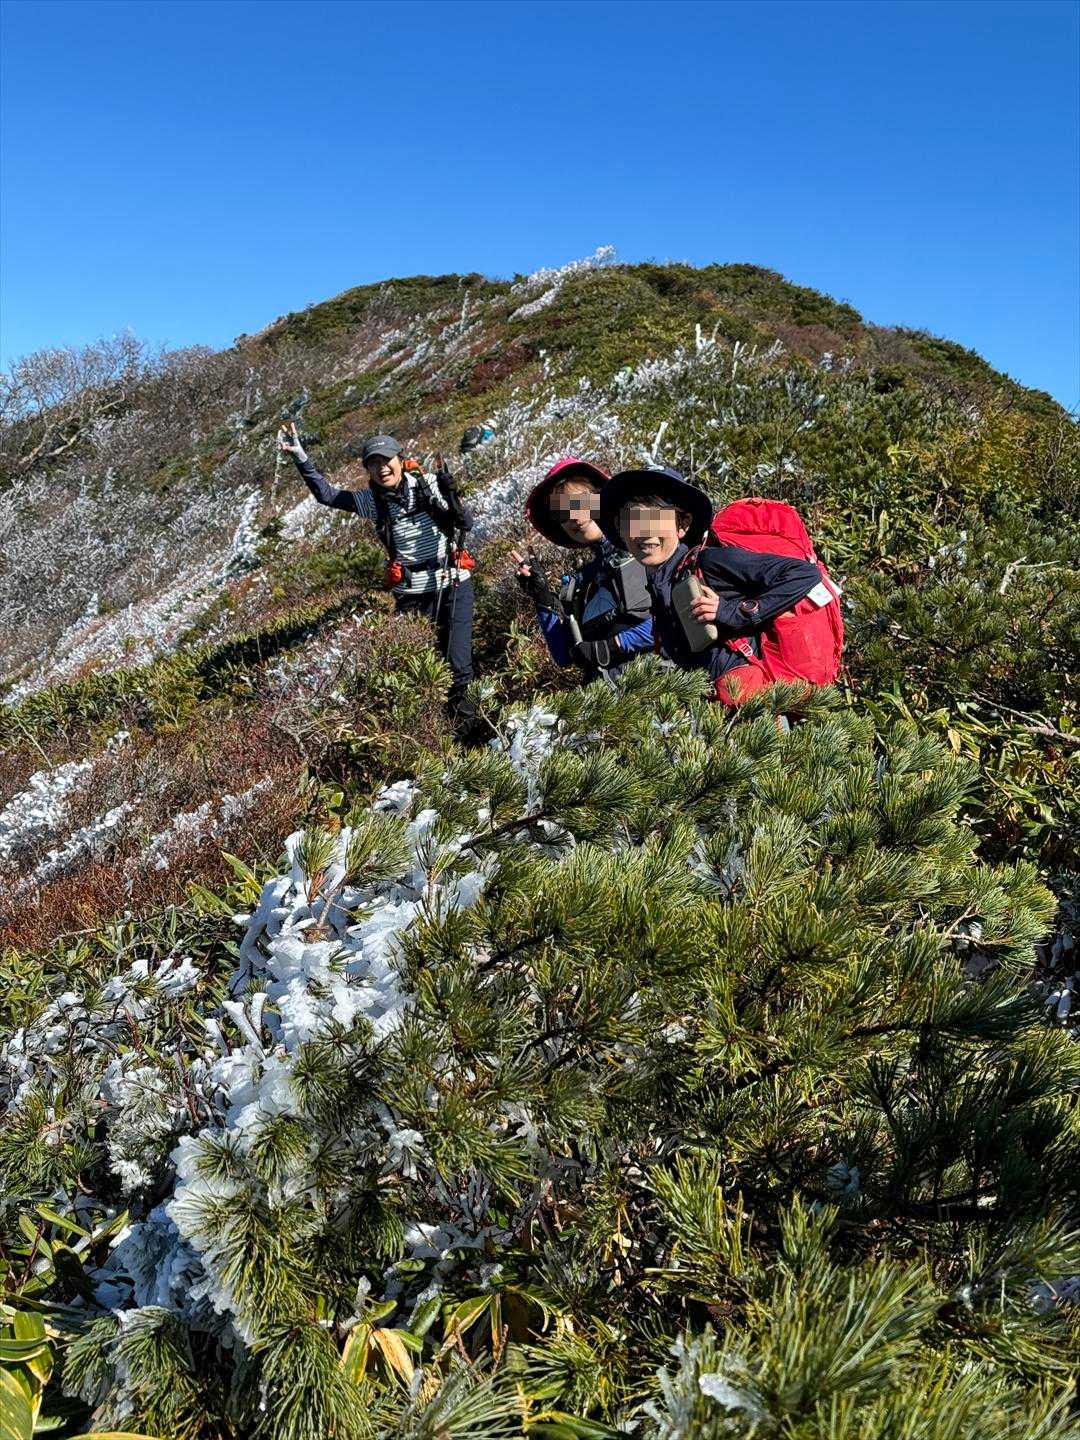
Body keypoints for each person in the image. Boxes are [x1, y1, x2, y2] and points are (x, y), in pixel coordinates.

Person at [278, 424, 477, 728]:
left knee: (458, 664)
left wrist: (451, 497)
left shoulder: (430, 484)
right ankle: (433, 730)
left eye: (386, 460)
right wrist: (301, 458)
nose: (382, 468)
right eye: (373, 464)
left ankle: (468, 727)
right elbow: (327, 495)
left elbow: (464, 521)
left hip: (453, 584)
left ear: (400, 459)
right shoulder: (373, 502)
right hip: (411, 594)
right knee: (423, 667)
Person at [598, 467, 822, 704]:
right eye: (632, 521)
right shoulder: (660, 586)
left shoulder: (710, 561)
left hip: (754, 704)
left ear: (682, 525)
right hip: (717, 709)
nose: (644, 533)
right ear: (620, 529)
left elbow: (804, 573)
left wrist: (735, 612)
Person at [510, 458, 653, 681]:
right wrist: (542, 597)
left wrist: (614, 645)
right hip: (611, 697)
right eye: (562, 514)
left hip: (667, 684)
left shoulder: (649, 548)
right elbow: (564, 656)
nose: (574, 518)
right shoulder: (581, 583)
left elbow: (679, 618)